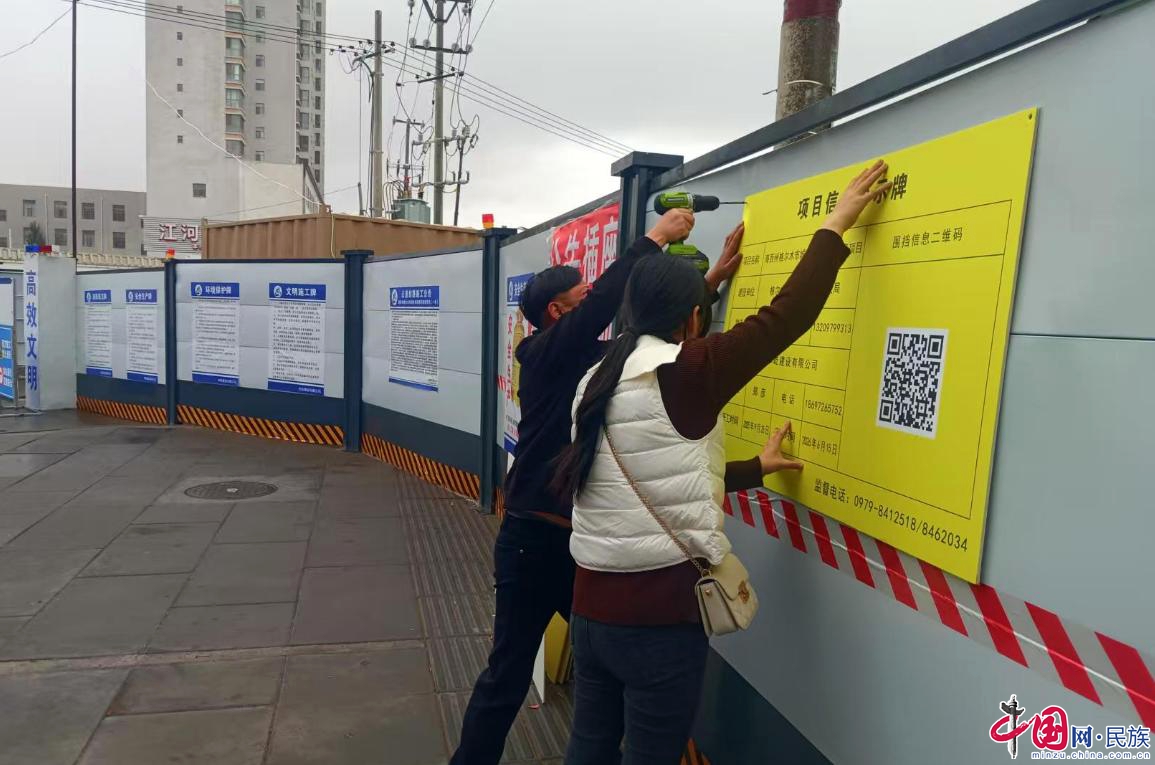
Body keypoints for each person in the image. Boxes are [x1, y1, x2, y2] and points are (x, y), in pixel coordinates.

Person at [553, 161, 893, 765]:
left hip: (590, 610)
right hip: (659, 622)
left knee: (590, 747)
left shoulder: (597, 378)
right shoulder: (688, 372)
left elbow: (651, 471)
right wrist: (837, 222)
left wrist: (754, 469)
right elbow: (786, 317)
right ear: (692, 319)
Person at [453, 205, 748, 765]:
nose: (592, 299)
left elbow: (649, 336)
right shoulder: (543, 354)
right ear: (558, 311)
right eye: (581, 295)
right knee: (508, 672)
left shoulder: (596, 364)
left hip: (582, 550)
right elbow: (606, 309)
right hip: (531, 544)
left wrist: (704, 287)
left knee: (606, 669)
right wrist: (654, 238)